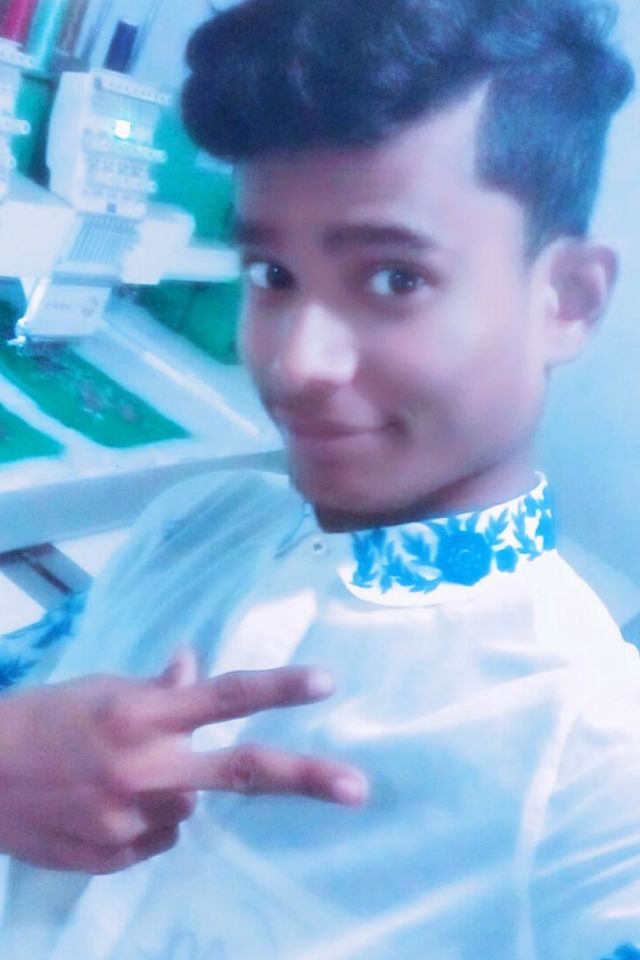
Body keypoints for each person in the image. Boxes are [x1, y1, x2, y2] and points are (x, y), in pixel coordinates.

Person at [0, 0, 638, 957]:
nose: (297, 364)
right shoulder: (197, 518)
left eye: (394, 279)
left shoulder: (593, 761)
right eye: (271, 274)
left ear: (567, 301)